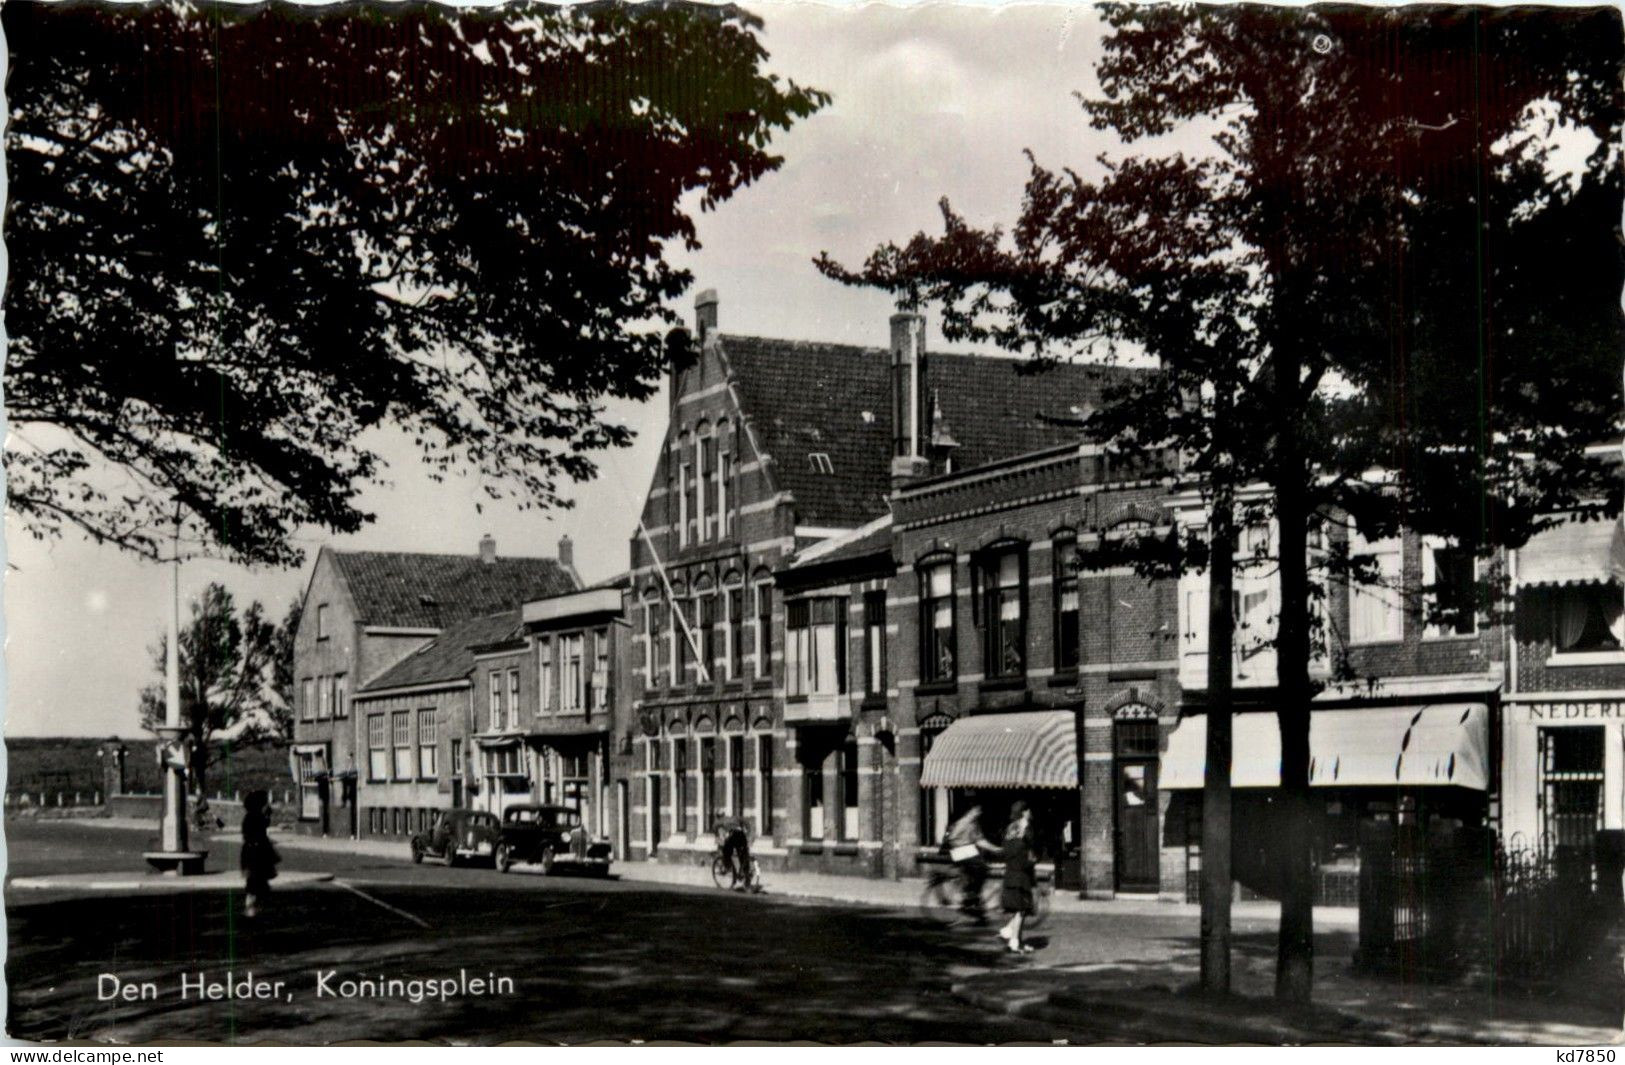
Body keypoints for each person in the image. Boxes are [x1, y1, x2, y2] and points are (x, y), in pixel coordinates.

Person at [944, 805, 1001, 923]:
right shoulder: (964, 822)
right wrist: (963, 844)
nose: (978, 813)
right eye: (976, 810)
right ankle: (970, 897)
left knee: (982, 870)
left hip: (967, 851)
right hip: (960, 852)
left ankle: (974, 902)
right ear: (970, 811)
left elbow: (980, 840)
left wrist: (994, 848)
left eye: (979, 810)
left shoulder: (974, 824)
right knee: (982, 869)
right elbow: (952, 838)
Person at [997, 801, 1037, 954]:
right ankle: (1013, 942)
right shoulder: (1026, 829)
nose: (1031, 812)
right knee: (1021, 910)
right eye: (1028, 810)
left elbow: (1006, 849)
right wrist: (1031, 861)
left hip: (1010, 872)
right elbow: (1028, 852)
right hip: (1021, 874)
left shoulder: (1010, 829)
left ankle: (1012, 936)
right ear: (1024, 812)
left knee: (1021, 909)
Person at [239, 790, 280, 918]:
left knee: (255, 880)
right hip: (256, 852)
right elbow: (258, 832)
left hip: (253, 851)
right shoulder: (255, 817)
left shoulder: (250, 817)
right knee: (256, 880)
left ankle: (253, 907)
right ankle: (253, 908)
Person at [715, 812, 752, 889]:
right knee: (742, 855)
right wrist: (748, 834)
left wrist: (718, 837)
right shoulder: (735, 817)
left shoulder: (720, 821)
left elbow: (714, 828)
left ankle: (728, 867)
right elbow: (747, 823)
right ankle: (745, 877)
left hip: (734, 835)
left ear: (718, 816)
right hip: (742, 835)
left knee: (726, 851)